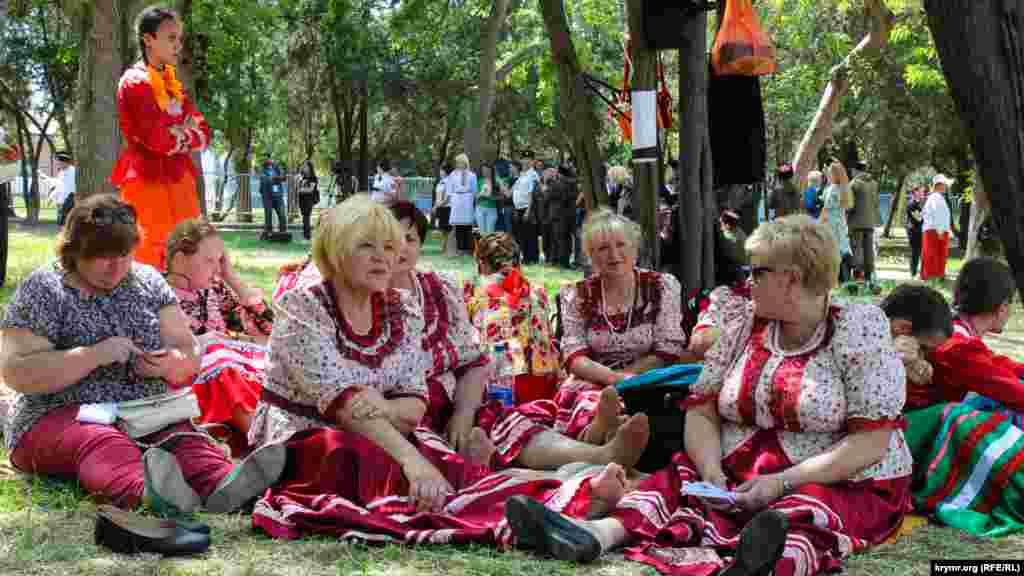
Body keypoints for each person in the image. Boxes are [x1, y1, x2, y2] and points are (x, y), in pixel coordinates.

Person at [507, 214, 912, 576]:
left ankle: (764, 563)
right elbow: (701, 408)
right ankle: (592, 534)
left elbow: (870, 442)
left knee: (801, 515)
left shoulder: (858, 328)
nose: (747, 281)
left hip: (841, 479)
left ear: (791, 278)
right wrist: (711, 468)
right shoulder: (744, 325)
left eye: (757, 272)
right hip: (742, 468)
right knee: (679, 482)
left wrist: (782, 483)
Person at [247, 195, 635, 543]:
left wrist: (381, 408)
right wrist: (407, 452)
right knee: (383, 461)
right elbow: (340, 404)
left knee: (432, 459)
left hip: (389, 427)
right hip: (310, 434)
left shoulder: (400, 307)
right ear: (335, 253)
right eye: (366, 246)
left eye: (390, 246)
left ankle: (566, 496)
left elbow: (414, 400)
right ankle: (559, 500)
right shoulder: (303, 308)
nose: (383, 257)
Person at [0, 194, 283, 515]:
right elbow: (16, 371)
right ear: (74, 250)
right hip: (60, 414)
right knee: (104, 443)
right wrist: (93, 355)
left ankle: (227, 486)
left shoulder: (147, 281)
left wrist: (168, 364)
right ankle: (148, 493)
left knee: (185, 442)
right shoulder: (44, 289)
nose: (116, 267)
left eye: (124, 255)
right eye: (103, 257)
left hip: (146, 410)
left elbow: (187, 351)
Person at [387, 203, 648, 470]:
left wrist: (464, 411)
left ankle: (601, 454)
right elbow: (570, 353)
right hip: (419, 409)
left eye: (410, 238)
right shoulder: (549, 292)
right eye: (391, 239)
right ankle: (590, 446)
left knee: (510, 425)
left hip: (477, 393)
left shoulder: (443, 289)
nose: (401, 247)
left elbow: (473, 360)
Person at [555, 209, 689, 445]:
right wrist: (612, 379)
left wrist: (628, 379)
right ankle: (598, 436)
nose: (614, 255)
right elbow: (574, 355)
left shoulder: (661, 287)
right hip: (594, 379)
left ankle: (607, 441)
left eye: (621, 245)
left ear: (635, 249)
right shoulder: (577, 294)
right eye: (603, 248)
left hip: (648, 377)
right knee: (588, 402)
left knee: (646, 409)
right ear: (590, 256)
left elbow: (667, 349)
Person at [164, 218, 274, 456]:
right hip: (192, 383)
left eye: (220, 260)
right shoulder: (159, 294)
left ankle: (275, 437)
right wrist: (213, 342)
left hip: (233, 382)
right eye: (209, 260)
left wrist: (230, 276)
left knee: (265, 359)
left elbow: (268, 328)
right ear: (181, 259)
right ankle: (270, 443)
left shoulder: (215, 289)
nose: (216, 268)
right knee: (221, 359)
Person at [113, 6, 209, 269]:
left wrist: (180, 133)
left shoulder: (173, 84)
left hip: (180, 181)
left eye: (179, 38)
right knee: (152, 258)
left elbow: (204, 133)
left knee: (190, 252)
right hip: (148, 181)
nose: (178, 45)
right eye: (171, 38)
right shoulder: (134, 82)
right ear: (148, 40)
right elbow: (157, 139)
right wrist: (183, 132)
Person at [819, 161, 853, 282]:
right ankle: (844, 275)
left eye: (830, 173)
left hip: (831, 223)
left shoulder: (831, 190)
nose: (828, 175)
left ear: (834, 175)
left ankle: (836, 275)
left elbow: (826, 208)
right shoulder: (844, 189)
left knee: (832, 248)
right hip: (840, 223)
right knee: (842, 246)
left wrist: (819, 222)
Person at [848, 162, 880, 285]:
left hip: (856, 222)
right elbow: (876, 203)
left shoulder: (854, 184)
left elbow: (850, 205)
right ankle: (869, 274)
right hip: (870, 221)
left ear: (856, 171)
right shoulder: (874, 184)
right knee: (868, 249)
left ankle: (858, 273)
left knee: (857, 248)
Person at [921, 174, 954, 282]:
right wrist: (940, 231)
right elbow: (937, 215)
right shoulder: (936, 197)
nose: (946, 187)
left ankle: (933, 276)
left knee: (933, 255)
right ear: (939, 185)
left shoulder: (936, 197)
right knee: (935, 255)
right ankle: (933, 277)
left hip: (935, 231)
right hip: (935, 232)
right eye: (944, 185)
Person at [446, 153, 477, 254]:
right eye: (457, 163)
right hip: (457, 199)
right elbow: (449, 188)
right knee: (458, 226)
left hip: (467, 199)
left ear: (465, 162)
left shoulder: (472, 175)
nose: (459, 164)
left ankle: (468, 248)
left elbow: (474, 190)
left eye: (460, 162)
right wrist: (451, 200)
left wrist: (472, 201)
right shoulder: (453, 174)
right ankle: (460, 248)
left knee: (467, 226)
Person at [258, 156, 287, 239]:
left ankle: (283, 232)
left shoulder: (277, 168)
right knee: (268, 214)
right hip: (267, 196)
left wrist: (275, 178)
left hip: (278, 194)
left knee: (281, 213)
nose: (268, 160)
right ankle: (268, 233)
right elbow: (265, 180)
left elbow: (284, 177)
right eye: (265, 159)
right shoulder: (262, 170)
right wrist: (275, 179)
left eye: (268, 158)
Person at [904, 185, 926, 278]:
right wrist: (926, 213)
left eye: (923, 192)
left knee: (918, 252)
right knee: (915, 253)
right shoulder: (912, 204)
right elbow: (919, 218)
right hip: (914, 232)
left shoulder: (918, 203)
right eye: (921, 191)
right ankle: (913, 273)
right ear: (915, 192)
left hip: (918, 231)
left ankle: (916, 272)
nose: (923, 193)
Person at [51, 151, 76, 227]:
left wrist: (66, 200)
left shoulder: (73, 171)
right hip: (61, 202)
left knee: (67, 223)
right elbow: (59, 187)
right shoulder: (61, 172)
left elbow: (71, 188)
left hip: (69, 200)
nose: (58, 164)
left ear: (65, 162)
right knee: (60, 223)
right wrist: (52, 197)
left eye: (59, 163)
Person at [298, 156, 319, 240]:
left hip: (308, 200)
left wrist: (300, 190)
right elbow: (299, 188)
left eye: (305, 166)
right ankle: (305, 234)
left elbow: (310, 189)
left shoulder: (313, 178)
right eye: (303, 166)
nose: (303, 167)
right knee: (304, 218)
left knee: (306, 217)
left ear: (309, 168)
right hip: (302, 200)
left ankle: (307, 236)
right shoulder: (302, 178)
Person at [475, 163, 499, 234]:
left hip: (492, 209)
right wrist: (481, 194)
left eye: (487, 170)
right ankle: (483, 245)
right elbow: (475, 197)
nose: (485, 172)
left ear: (491, 170)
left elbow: (500, 196)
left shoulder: (495, 181)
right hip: (480, 208)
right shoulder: (479, 181)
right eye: (483, 170)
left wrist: (491, 197)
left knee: (490, 233)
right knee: (482, 233)